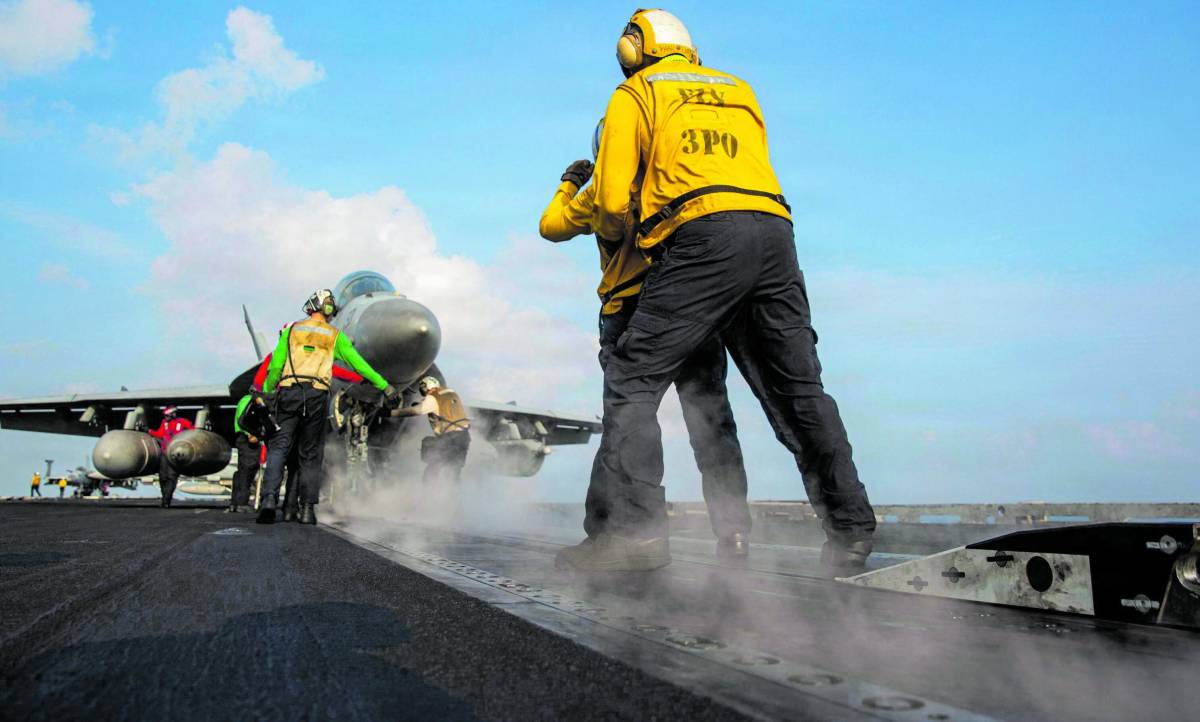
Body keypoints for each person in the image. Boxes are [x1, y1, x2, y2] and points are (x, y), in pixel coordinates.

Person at [556, 9, 876, 575]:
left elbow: (607, 205)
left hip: (701, 237)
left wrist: (623, 234)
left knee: (632, 380)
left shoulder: (636, 93)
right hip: (776, 233)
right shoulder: (740, 89)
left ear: (634, 48)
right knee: (796, 390)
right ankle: (849, 528)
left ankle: (637, 536)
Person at [540, 120, 754, 560]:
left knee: (625, 421)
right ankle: (734, 534)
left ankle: (612, 534)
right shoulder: (674, 179)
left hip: (630, 311)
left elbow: (550, 225)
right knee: (712, 424)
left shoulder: (603, 190)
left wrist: (569, 183)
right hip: (696, 309)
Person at [256, 289, 399, 525]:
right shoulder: (334, 335)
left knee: (279, 448)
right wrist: (384, 385)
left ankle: (269, 500)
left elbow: (275, 366)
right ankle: (307, 510)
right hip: (316, 397)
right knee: (310, 455)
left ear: (310, 306)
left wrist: (270, 390)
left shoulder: (291, 331)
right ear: (330, 310)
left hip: (289, 393)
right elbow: (358, 364)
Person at [392, 376, 471, 488]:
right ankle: (453, 499)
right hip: (464, 437)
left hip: (449, 438)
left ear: (425, 388)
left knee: (432, 470)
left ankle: (429, 496)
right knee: (454, 472)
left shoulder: (432, 398)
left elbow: (415, 411)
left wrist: (391, 413)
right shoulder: (451, 393)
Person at [149, 405, 193, 507]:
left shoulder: (183, 422)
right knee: (163, 476)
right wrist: (149, 431)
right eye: (165, 416)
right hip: (165, 452)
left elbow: (193, 431)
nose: (165, 418)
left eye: (167, 416)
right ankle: (165, 498)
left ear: (173, 415)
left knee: (171, 476)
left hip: (176, 454)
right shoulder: (164, 423)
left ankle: (166, 500)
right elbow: (160, 434)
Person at [230, 393, 262, 513]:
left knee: (243, 469)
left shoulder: (245, 399)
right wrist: (251, 433)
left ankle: (235, 502)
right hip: (247, 438)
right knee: (248, 469)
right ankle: (241, 502)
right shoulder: (249, 400)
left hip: (244, 438)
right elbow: (243, 419)